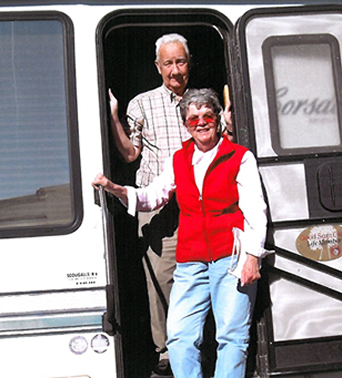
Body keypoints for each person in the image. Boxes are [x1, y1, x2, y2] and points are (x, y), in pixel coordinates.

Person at [95, 88, 269, 378]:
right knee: (178, 337)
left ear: (217, 120)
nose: (201, 123)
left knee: (232, 337)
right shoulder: (179, 159)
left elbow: (255, 209)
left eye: (207, 116)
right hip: (191, 261)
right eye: (193, 119)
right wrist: (117, 190)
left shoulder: (239, 157)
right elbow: (153, 195)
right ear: (186, 124)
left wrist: (253, 256)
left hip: (232, 257)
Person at [107, 33, 231, 377]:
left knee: (205, 273)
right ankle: (166, 350)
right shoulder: (142, 103)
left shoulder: (202, 101)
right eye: (168, 63)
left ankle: (204, 346)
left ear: (189, 64)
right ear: (157, 66)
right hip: (159, 203)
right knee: (162, 278)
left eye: (181, 62)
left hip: (202, 200)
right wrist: (115, 117)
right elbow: (131, 153)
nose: (175, 70)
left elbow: (221, 144)